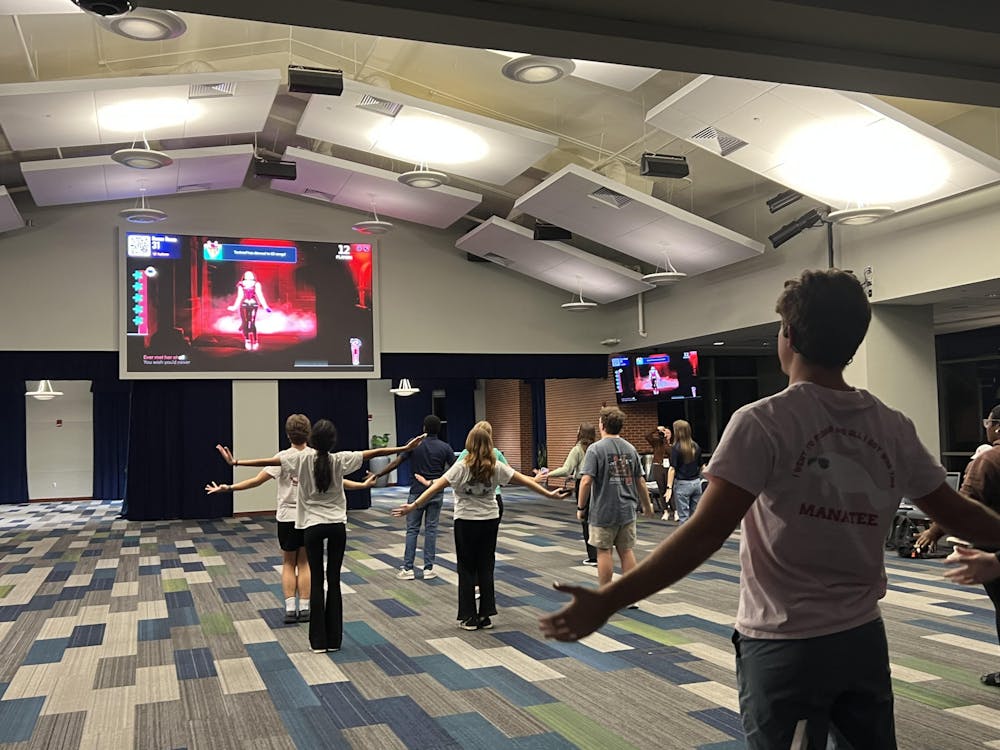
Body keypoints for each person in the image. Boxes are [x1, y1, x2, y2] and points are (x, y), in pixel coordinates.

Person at [540, 269, 1000, 749]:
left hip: (781, 641)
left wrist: (610, 598)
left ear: (789, 337)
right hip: (861, 638)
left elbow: (703, 534)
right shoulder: (893, 426)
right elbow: (960, 514)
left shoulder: (762, 421)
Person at [217, 422, 424, 653]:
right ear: (332, 441)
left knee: (316, 580)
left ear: (312, 440)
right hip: (337, 526)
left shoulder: (300, 460)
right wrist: (405, 447)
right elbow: (375, 453)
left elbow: (267, 462)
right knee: (333, 581)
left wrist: (236, 462)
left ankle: (318, 642)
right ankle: (334, 640)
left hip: (312, 527)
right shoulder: (341, 459)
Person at [393, 426, 569, 630]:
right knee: (486, 567)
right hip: (489, 520)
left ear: (469, 445)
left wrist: (413, 506)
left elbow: (435, 487)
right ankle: (486, 615)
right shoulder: (496, 467)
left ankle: (469, 617)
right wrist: (549, 495)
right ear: (489, 445)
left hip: (466, 522)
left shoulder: (461, 467)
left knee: (466, 568)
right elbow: (525, 481)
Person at [916, 403, 1000, 688]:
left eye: (987, 421)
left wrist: (933, 532)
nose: (985, 427)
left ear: (997, 426)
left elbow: (963, 505)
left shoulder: (989, 461)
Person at [576, 407, 654, 591]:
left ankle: (606, 594)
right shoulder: (630, 448)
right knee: (626, 551)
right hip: (627, 509)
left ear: (602, 424)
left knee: (604, 551)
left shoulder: (595, 449)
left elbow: (586, 481)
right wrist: (647, 505)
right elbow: (640, 481)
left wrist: (581, 507)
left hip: (603, 510)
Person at [370, 415, 455, 580]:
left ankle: (408, 568)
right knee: (431, 530)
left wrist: (378, 474)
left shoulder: (415, 444)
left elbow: (396, 463)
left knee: (412, 530)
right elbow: (455, 469)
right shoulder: (445, 447)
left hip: (416, 493)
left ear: (424, 428)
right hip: (435, 493)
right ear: (439, 429)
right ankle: (428, 569)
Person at [537, 423, 599, 565]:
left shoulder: (577, 449)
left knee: (585, 518)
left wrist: (547, 474)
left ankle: (593, 556)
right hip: (598, 485)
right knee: (597, 519)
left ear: (580, 433)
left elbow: (566, 469)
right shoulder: (596, 448)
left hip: (583, 485)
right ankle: (602, 552)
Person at [456, 420, 508, 518]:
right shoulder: (495, 453)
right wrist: (533, 479)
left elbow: (454, 474)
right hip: (494, 497)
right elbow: (509, 474)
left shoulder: (466, 453)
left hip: (471, 499)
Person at [668, 419, 703, 524]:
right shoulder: (695, 446)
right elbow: (702, 465)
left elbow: (672, 468)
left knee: (683, 516)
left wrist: (669, 487)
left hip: (682, 483)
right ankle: (696, 537)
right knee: (695, 515)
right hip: (696, 483)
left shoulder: (676, 448)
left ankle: (685, 539)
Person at [227, 270, 271, 351]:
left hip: (254, 305)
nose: (249, 277)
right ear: (244, 277)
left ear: (253, 277)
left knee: (252, 322)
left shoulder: (256, 284)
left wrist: (265, 306)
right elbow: (239, 296)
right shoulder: (241, 284)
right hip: (244, 305)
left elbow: (260, 295)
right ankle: (247, 340)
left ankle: (255, 341)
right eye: (247, 275)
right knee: (245, 322)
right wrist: (234, 307)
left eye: (250, 275)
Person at [645, 425, 674, 521]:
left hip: (669, 468)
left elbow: (669, 452)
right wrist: (656, 429)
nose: (666, 434)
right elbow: (647, 435)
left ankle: (675, 510)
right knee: (662, 489)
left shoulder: (672, 445)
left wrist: (666, 441)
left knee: (671, 489)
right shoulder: (657, 443)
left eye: (668, 433)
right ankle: (665, 511)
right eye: (664, 432)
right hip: (658, 466)